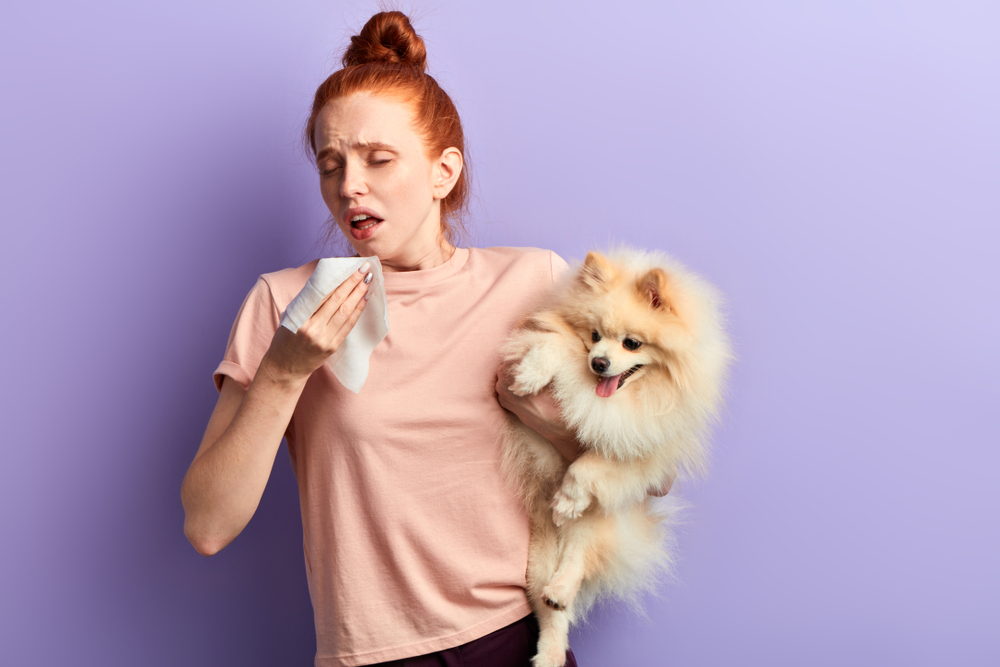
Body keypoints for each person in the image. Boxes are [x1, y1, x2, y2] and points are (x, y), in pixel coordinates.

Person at [181, 11, 667, 667]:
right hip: (370, 655)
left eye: (379, 159)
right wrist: (284, 372)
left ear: (443, 172)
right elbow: (208, 525)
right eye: (331, 165)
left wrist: (550, 424)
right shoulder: (285, 303)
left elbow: (651, 471)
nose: (350, 185)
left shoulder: (536, 282)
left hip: (517, 641)